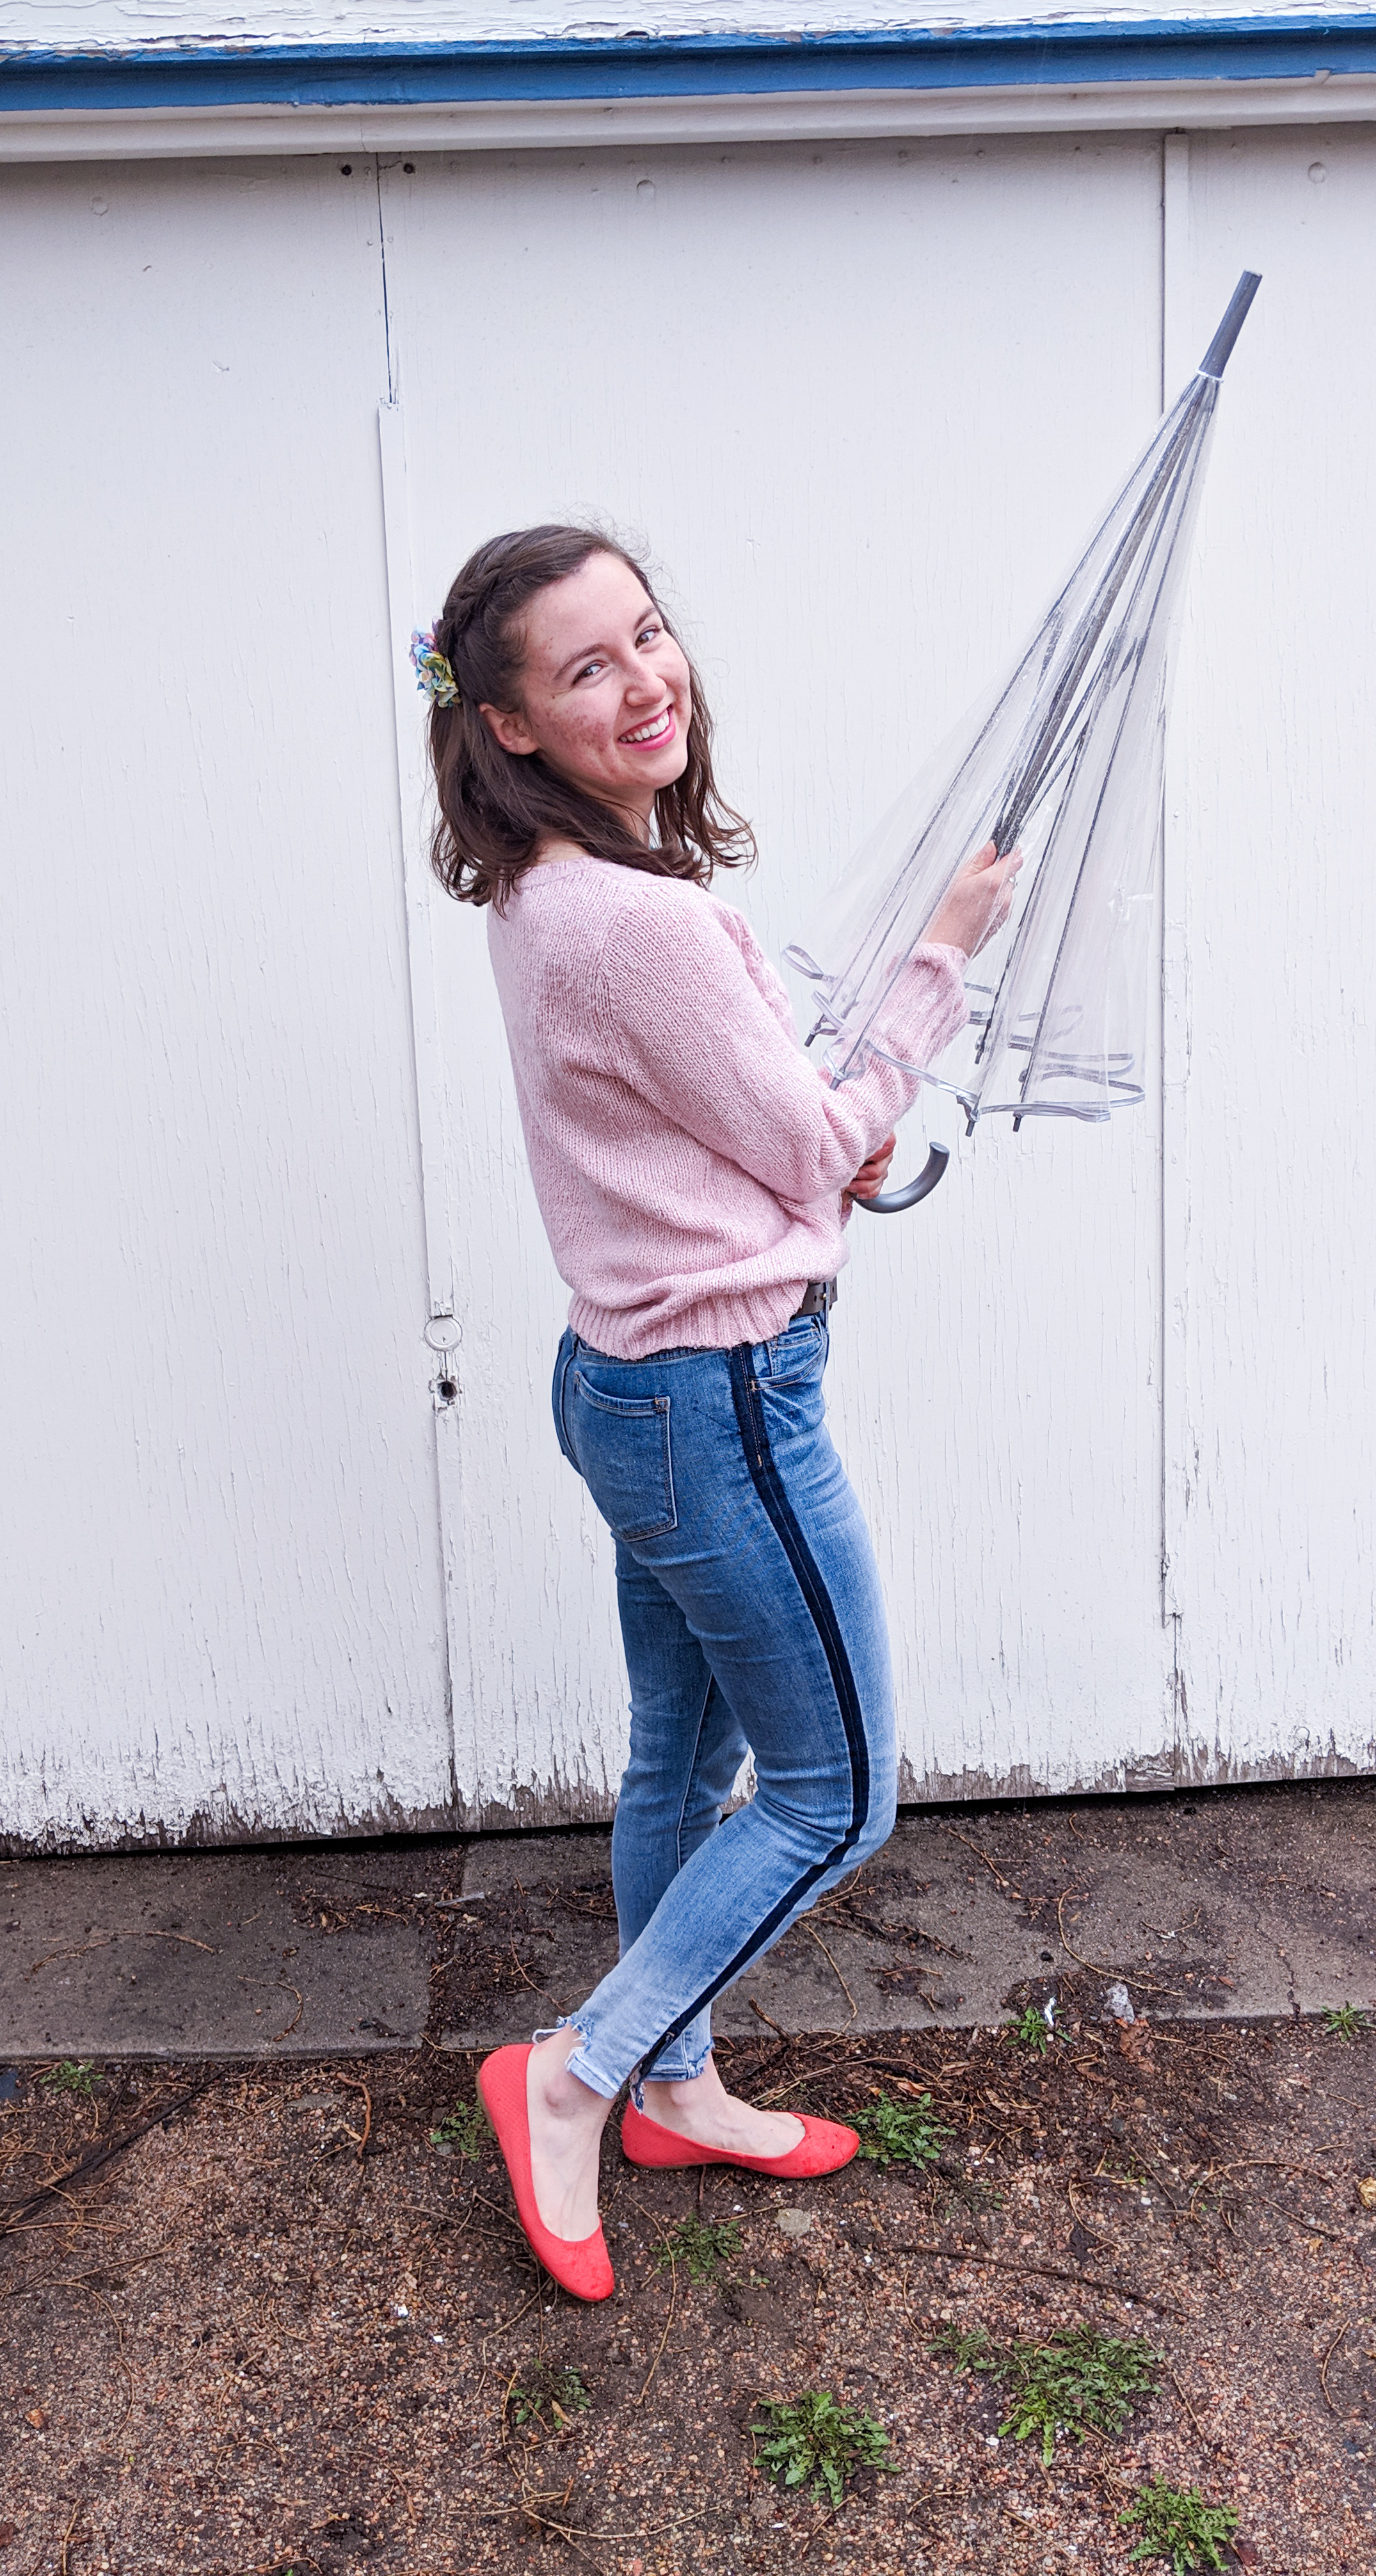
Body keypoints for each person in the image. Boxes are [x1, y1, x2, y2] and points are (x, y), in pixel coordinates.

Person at [416, 524, 1018, 2301]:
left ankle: (672, 2083)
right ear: (510, 725)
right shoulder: (635, 920)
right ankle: (582, 2075)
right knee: (835, 1794)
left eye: (651, 632)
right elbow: (818, 1142)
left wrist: (818, 1143)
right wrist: (942, 958)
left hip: (635, 1386)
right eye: (586, 666)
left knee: (684, 1759)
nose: (646, 677)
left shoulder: (557, 894)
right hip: (722, 1402)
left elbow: (744, 1131)